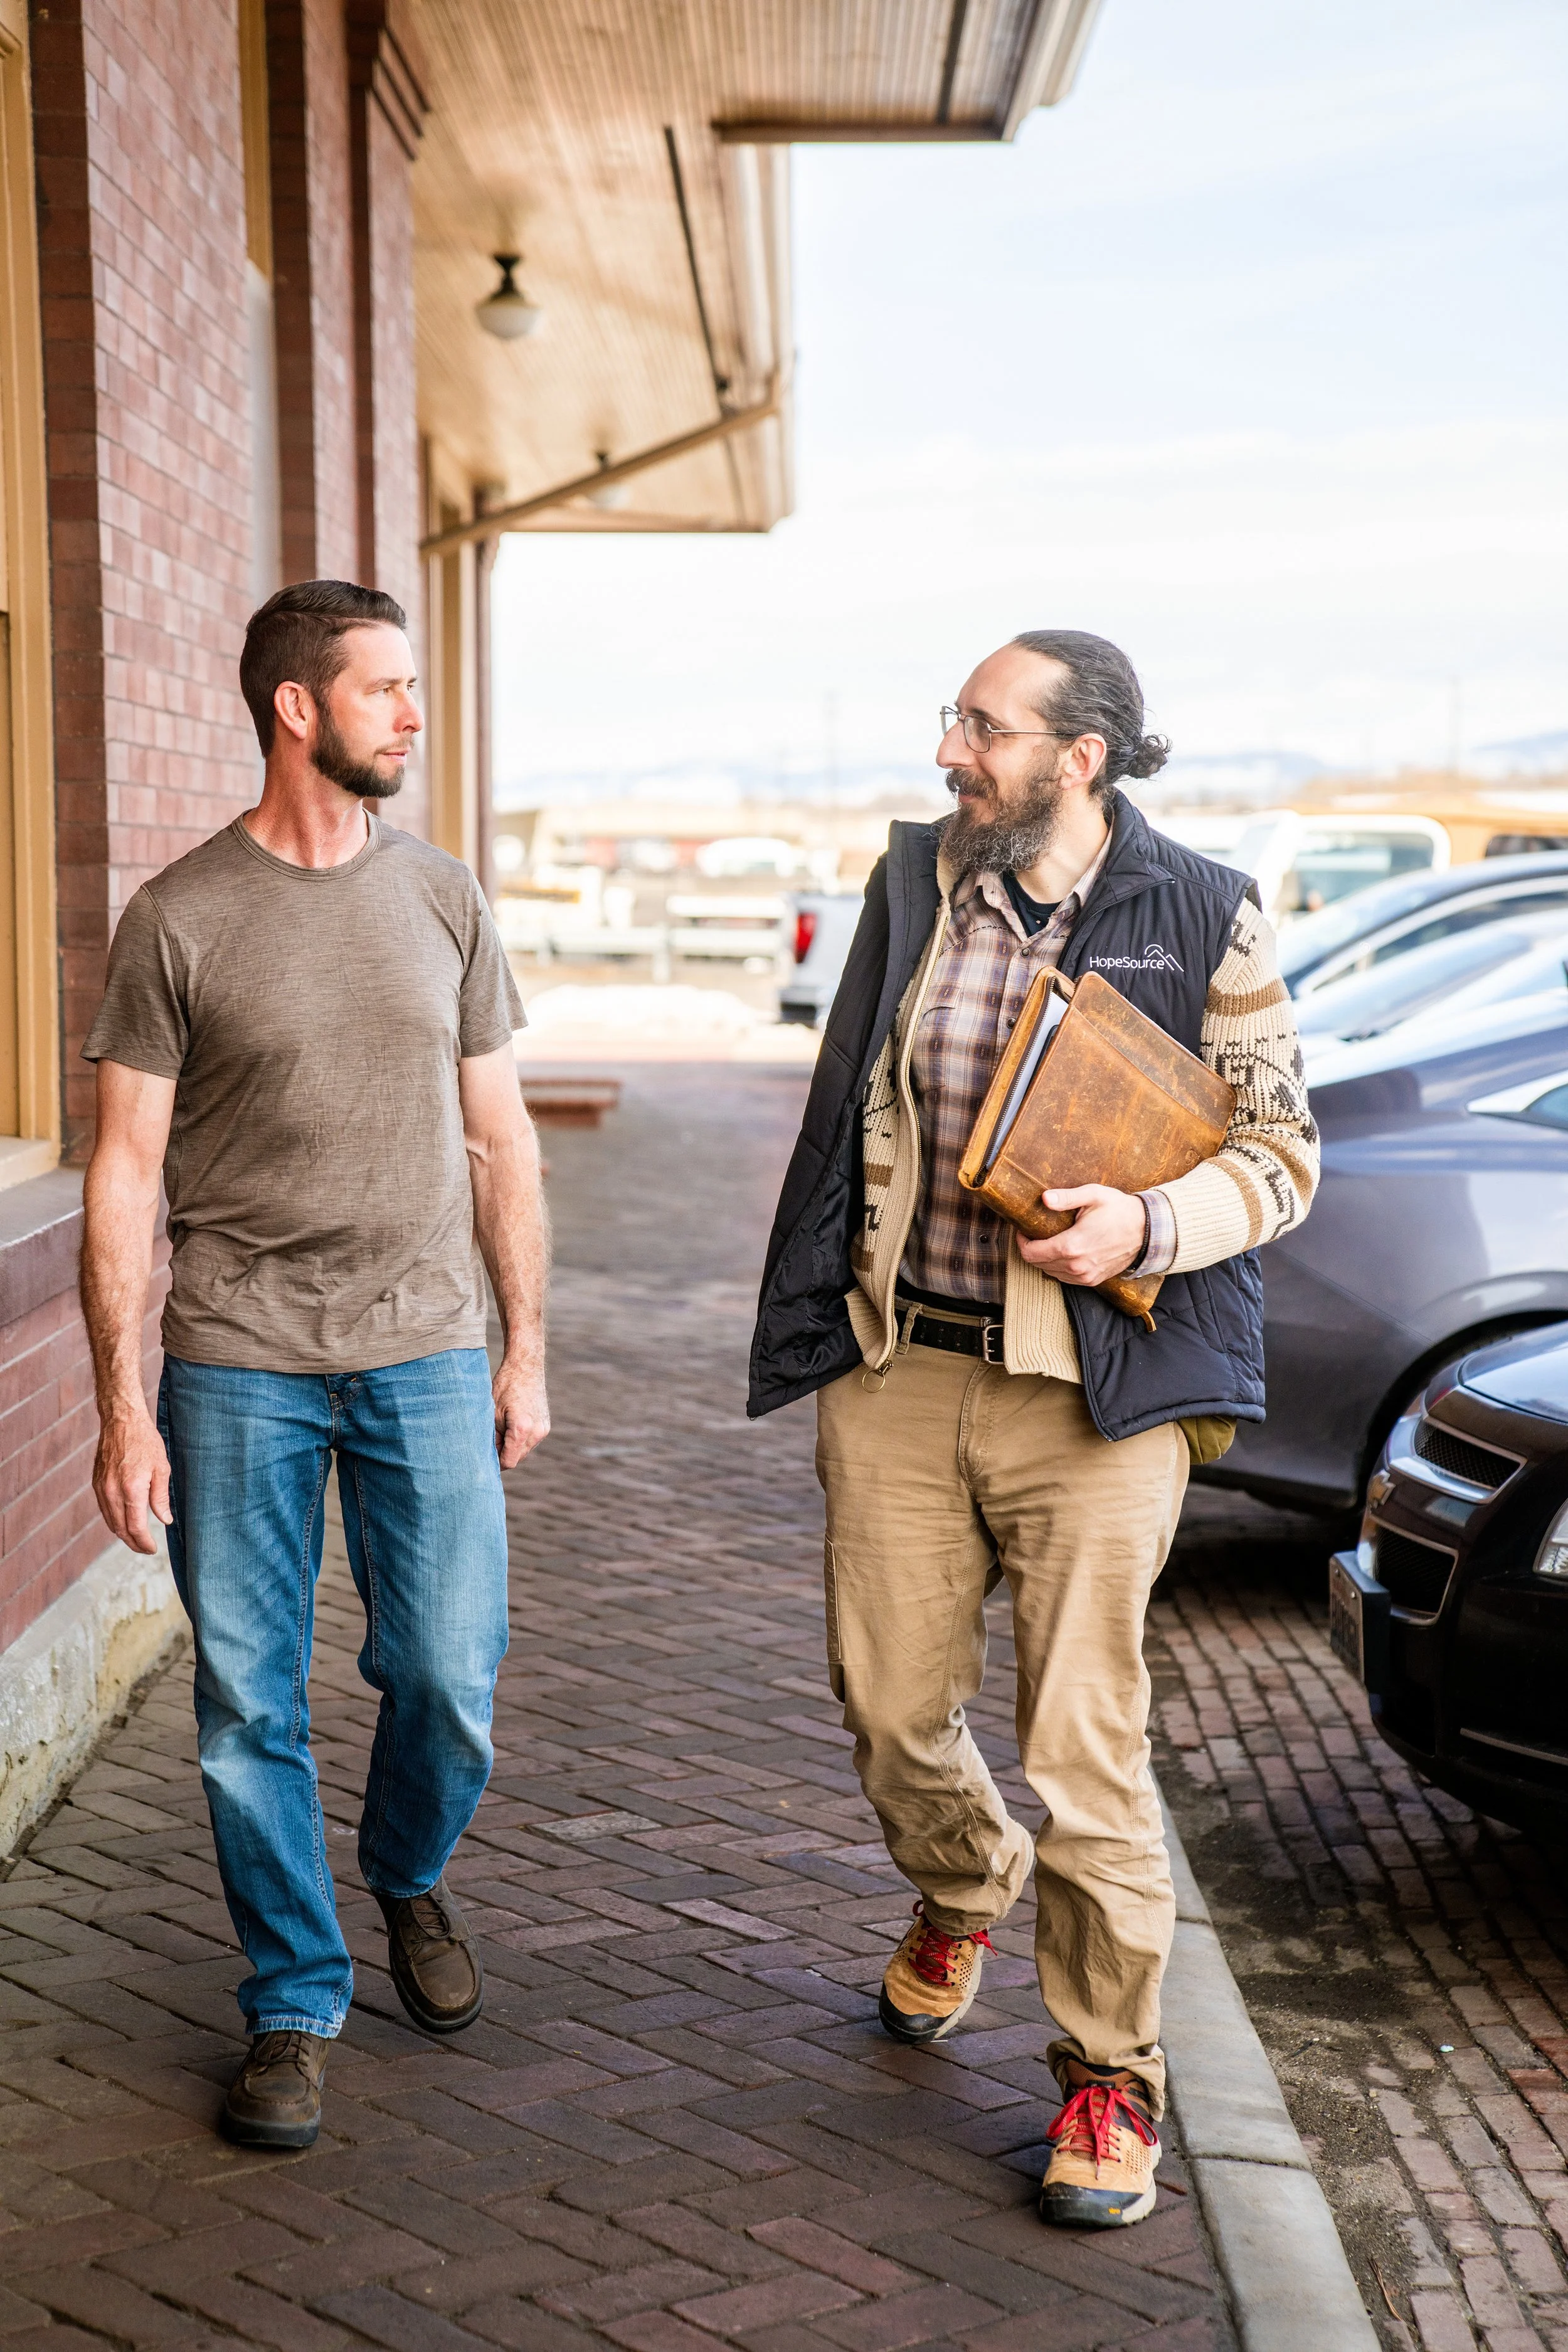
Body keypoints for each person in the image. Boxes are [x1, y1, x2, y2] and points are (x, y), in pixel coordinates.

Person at [748, 630, 1316, 2229]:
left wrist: (1147, 1227)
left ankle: (1106, 2079)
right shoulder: (915, 885)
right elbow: (846, 1098)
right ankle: (957, 1883)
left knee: (1082, 1748)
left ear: (1078, 757)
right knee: (884, 1703)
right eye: (952, 720)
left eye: (981, 729)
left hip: (1095, 1394)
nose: (949, 750)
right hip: (900, 1367)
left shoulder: (1204, 911)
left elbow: (1282, 1150)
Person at [79, 580, 549, 2151]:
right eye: (386, 691)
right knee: (242, 1703)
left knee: (447, 1674)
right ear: (298, 708)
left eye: (413, 689)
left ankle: (407, 1870)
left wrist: (524, 1344)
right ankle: (293, 1997)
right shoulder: (180, 917)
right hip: (236, 1362)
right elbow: (126, 1175)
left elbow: (500, 1140)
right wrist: (121, 1405)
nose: (412, 714)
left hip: (424, 1345)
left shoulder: (446, 898)